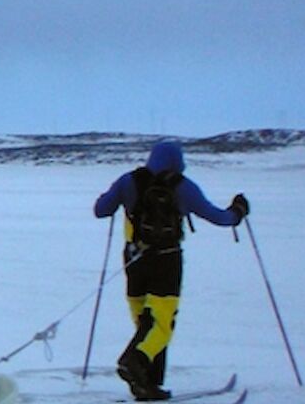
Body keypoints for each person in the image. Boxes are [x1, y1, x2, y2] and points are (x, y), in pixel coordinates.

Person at [92, 140, 249, 401]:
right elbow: (218, 217)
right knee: (161, 324)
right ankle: (135, 361)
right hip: (166, 261)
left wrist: (111, 199)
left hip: (134, 261)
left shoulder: (128, 181)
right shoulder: (182, 187)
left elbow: (100, 210)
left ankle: (148, 384)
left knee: (146, 324)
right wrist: (238, 212)